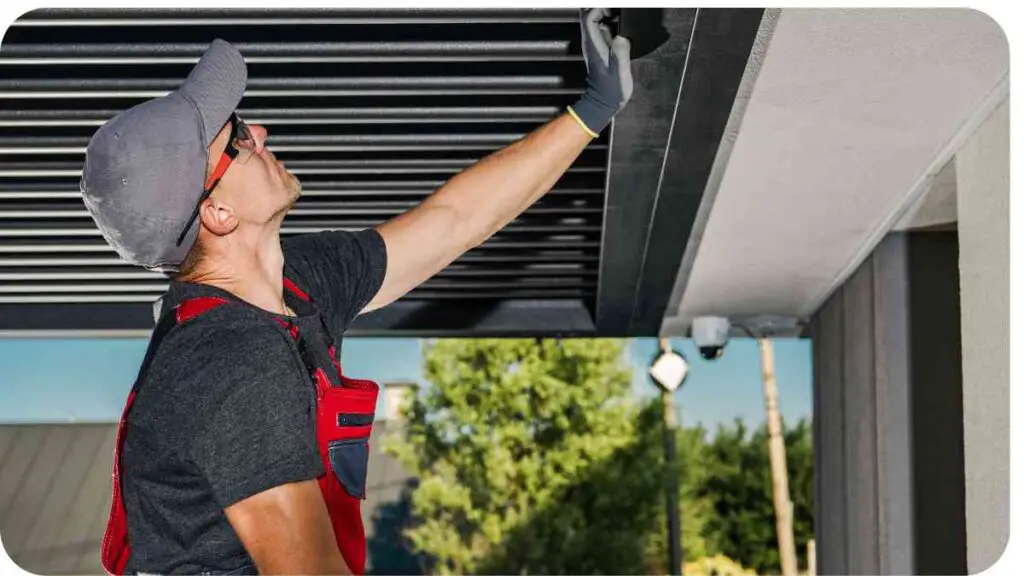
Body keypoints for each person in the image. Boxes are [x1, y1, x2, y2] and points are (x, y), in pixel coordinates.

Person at [82, 8, 632, 575]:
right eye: (239, 138)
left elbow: (453, 220)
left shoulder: (292, 286)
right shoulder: (228, 366)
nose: (260, 133)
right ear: (218, 213)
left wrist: (589, 112)